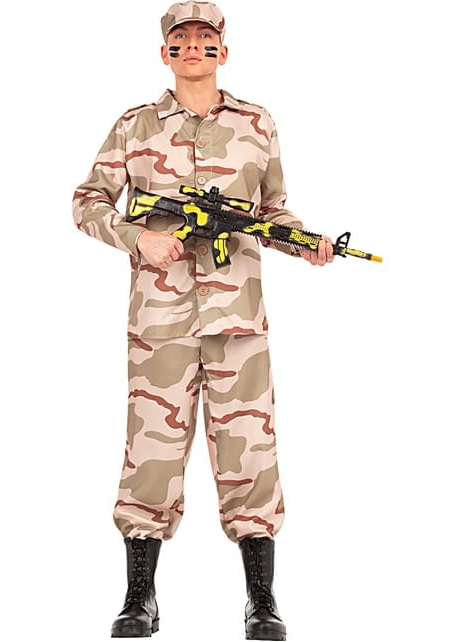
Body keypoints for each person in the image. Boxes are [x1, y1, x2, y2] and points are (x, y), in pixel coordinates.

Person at [72, 1, 334, 639]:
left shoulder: (256, 123)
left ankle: (261, 600)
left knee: (251, 453)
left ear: (224, 49)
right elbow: (87, 201)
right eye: (182, 38)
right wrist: (139, 238)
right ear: (165, 51)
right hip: (159, 320)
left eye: (205, 37)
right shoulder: (135, 125)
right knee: (150, 454)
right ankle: (139, 598)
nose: (194, 46)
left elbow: (272, 212)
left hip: (238, 318)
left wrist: (306, 243)